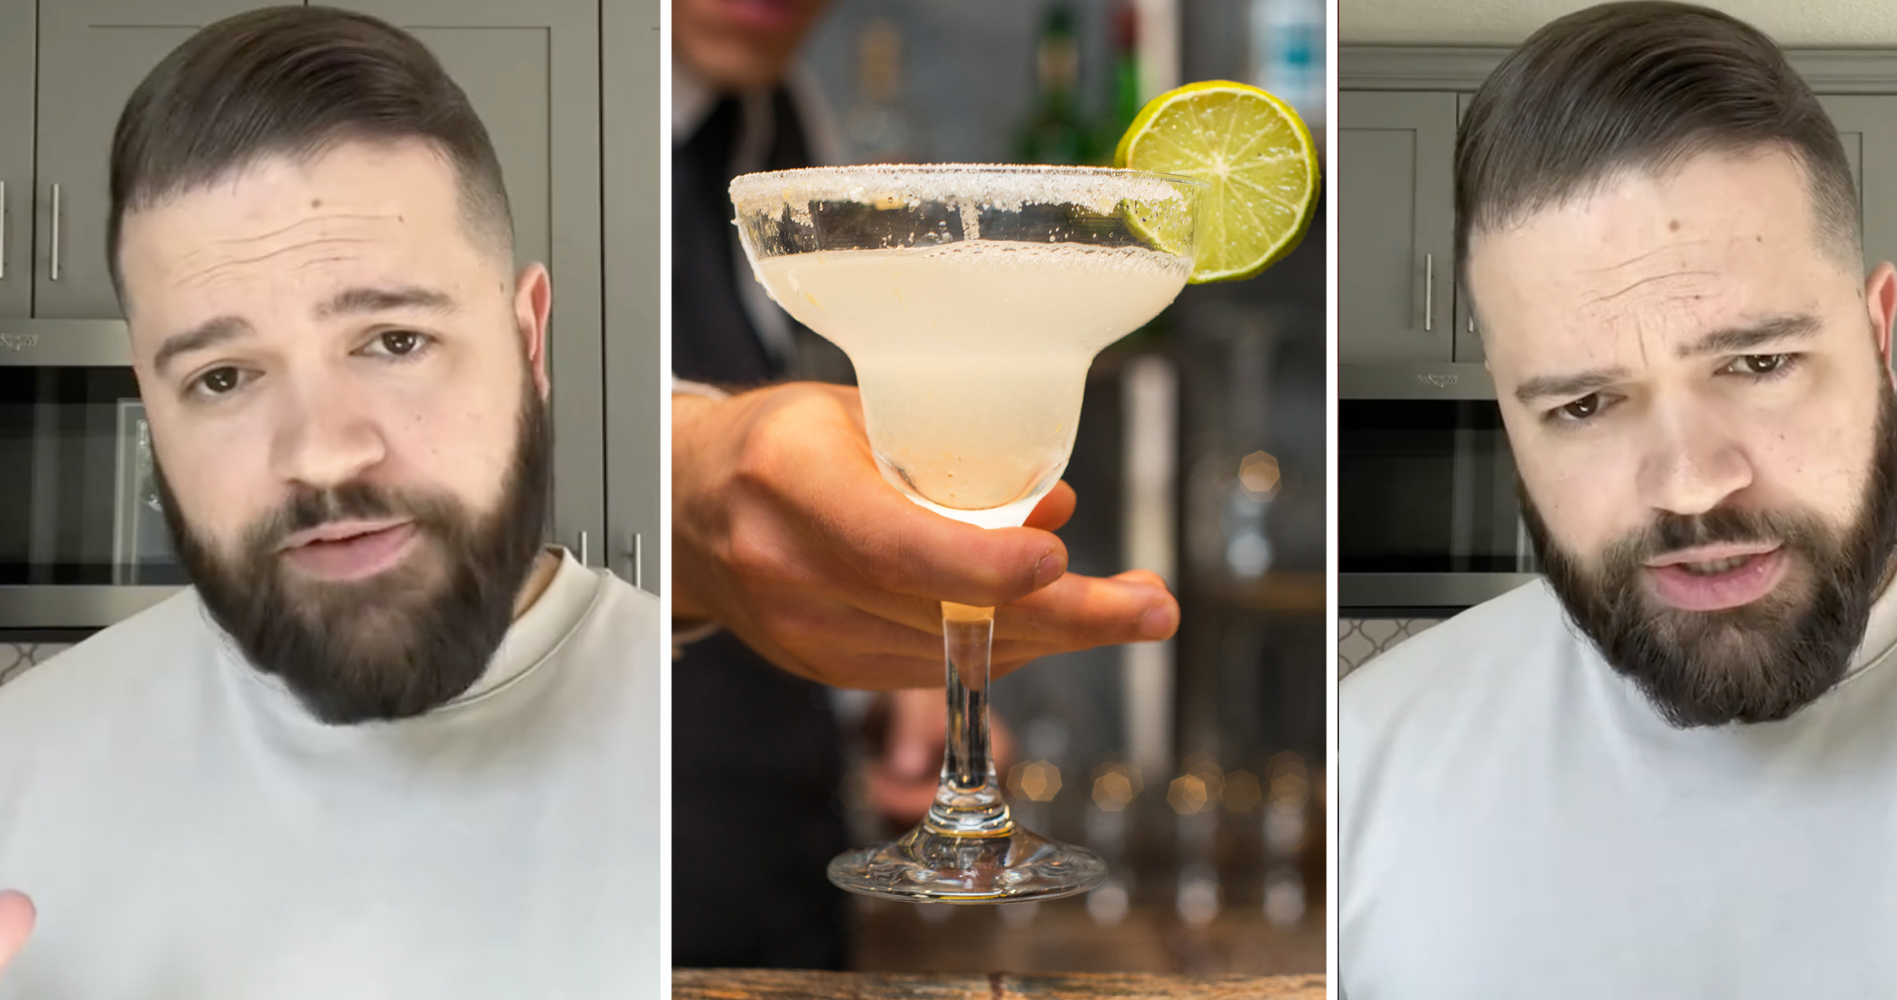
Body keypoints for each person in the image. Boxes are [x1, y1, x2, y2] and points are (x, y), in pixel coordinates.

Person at [1338, 2, 1897, 997]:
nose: (1690, 482)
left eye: (1758, 362)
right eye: (1583, 404)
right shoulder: (1362, 759)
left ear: (1877, 338)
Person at [0, 8, 657, 995]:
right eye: (223, 377)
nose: (320, 453)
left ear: (528, 341)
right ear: (151, 405)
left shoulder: (691, 750)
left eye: (394, 341)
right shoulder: (18, 771)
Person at [670, 0, 1179, 969]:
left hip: (789, 882)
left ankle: (965, 784)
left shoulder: (782, 122)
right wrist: (691, 475)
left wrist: (885, 682)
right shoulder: (568, 111)